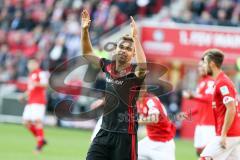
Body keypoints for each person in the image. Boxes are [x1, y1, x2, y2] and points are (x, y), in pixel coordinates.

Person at [81, 9, 147, 160]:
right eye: (121, 47)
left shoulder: (135, 72)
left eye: (128, 49)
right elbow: (87, 54)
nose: (124, 51)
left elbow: (143, 66)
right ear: (116, 49)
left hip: (125, 134)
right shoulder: (108, 65)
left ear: (133, 54)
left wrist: (135, 38)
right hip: (104, 131)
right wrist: (85, 30)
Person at [200, 49, 240, 160]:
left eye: (204, 63)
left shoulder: (223, 82)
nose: (203, 66)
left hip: (229, 134)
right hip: (234, 134)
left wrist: (223, 134)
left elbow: (231, 108)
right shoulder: (220, 81)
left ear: (211, 64)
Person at [182, 60, 215, 156]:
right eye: (199, 66)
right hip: (200, 123)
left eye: (203, 66)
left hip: (209, 124)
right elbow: (199, 106)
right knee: (198, 150)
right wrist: (187, 114)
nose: (200, 68)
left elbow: (209, 99)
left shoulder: (211, 82)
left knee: (208, 153)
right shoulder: (201, 83)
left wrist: (193, 96)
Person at [137, 92, 176, 160]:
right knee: (130, 153)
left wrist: (136, 122)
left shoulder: (150, 100)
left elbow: (154, 118)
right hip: (150, 140)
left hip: (163, 143)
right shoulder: (138, 101)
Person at [20, 59, 48, 153]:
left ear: (36, 64)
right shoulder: (31, 75)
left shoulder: (40, 73)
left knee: (37, 122)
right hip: (30, 101)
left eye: (32, 63)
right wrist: (23, 95)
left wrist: (37, 83)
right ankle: (41, 139)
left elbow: (46, 84)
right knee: (25, 122)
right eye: (29, 64)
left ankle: (39, 145)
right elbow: (30, 89)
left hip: (39, 102)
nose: (30, 65)